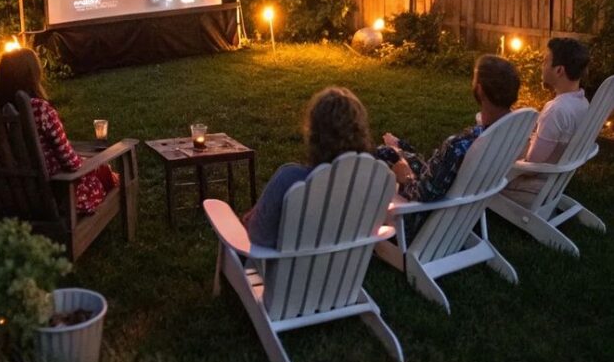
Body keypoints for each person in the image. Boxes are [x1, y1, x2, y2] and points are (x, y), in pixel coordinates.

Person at [375, 54, 520, 209]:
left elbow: (422, 196)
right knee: (390, 152)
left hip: (422, 213)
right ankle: (395, 150)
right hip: (464, 207)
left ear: (480, 90)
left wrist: (405, 176)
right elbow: (437, 171)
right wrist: (400, 148)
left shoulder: (458, 145)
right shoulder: (512, 133)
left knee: (378, 160)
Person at [244, 86, 374, 248]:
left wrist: (251, 220)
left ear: (314, 132)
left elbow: (258, 237)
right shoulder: (372, 180)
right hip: (348, 263)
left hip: (284, 263)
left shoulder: (290, 179)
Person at [0, 47, 118, 215]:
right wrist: (90, 163)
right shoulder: (40, 109)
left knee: (102, 172)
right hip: (52, 195)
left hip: (8, 196)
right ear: (32, 76)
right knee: (105, 173)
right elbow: (71, 163)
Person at [503, 37, 590, 203]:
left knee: (486, 165)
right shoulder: (582, 103)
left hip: (535, 185)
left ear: (559, 70)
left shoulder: (556, 110)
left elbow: (531, 166)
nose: (542, 66)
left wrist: (505, 165)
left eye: (545, 61)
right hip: (556, 178)